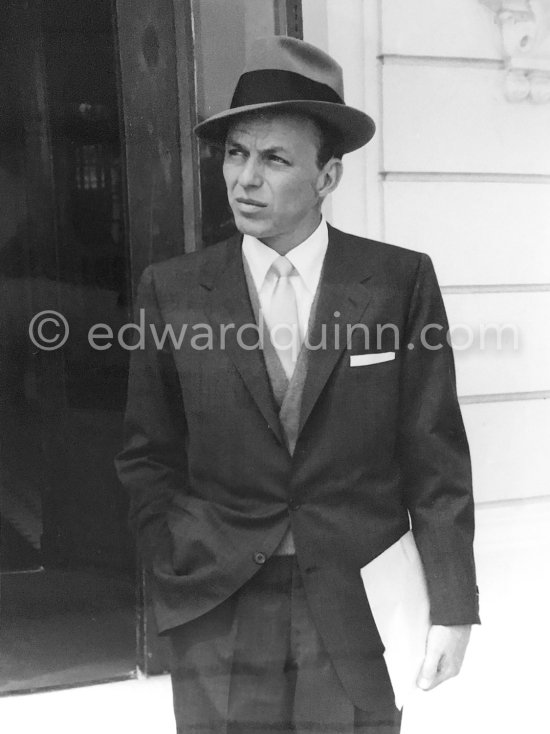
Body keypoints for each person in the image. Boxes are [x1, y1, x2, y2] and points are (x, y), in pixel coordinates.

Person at [115, 36, 479, 734]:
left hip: (357, 601)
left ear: (329, 175)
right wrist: (172, 568)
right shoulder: (176, 290)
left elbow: (436, 460)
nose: (245, 178)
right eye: (235, 154)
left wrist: (453, 604)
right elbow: (147, 453)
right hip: (218, 600)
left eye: (274, 158)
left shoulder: (396, 282)